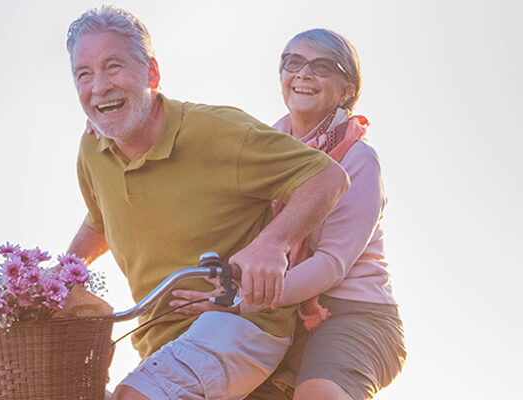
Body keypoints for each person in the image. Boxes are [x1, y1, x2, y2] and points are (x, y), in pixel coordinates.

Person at [63, 6, 349, 400]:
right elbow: (99, 223)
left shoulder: (218, 132)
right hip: (160, 338)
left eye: (113, 67)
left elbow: (327, 177)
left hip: (240, 323)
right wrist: (54, 281)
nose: (99, 86)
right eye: (84, 74)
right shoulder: (92, 151)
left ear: (151, 73)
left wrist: (271, 244)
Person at [169, 29, 406, 400]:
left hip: (354, 313)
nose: (304, 74)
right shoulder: (265, 146)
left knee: (318, 394)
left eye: (323, 66)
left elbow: (331, 263)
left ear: (347, 90)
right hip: (280, 316)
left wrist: (243, 300)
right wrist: (111, 127)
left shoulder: (359, 160)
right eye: (293, 63)